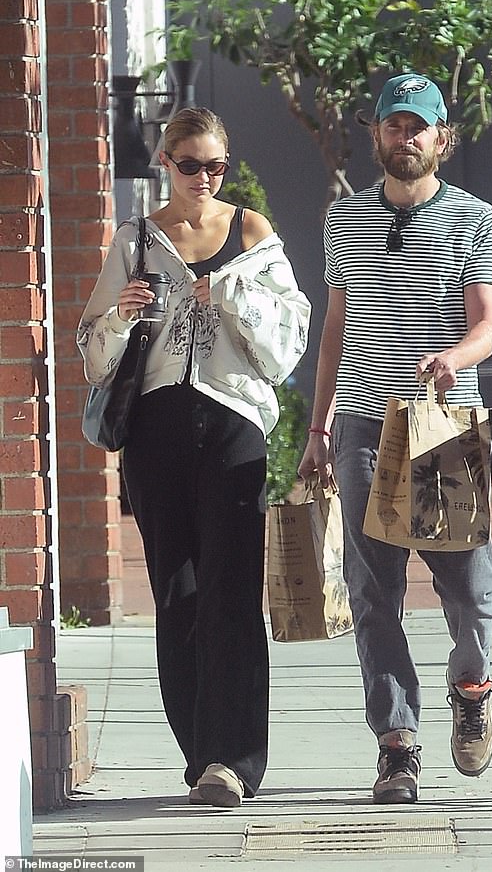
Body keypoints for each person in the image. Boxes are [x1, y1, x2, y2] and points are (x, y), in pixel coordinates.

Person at [78, 107, 311, 807]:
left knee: (232, 594)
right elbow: (91, 353)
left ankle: (234, 761)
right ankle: (199, 754)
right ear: (164, 164)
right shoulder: (136, 240)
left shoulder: (251, 234)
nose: (204, 178)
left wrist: (233, 294)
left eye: (216, 166)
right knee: (177, 597)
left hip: (233, 424)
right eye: (190, 165)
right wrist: (122, 313)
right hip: (155, 434)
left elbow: (289, 340)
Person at [298, 73, 492, 805]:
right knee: (372, 588)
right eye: (395, 124)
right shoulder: (344, 220)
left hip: (442, 425)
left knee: (470, 587)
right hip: (361, 419)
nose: (406, 136)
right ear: (378, 135)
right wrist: (318, 424)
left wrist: (454, 358)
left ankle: (472, 686)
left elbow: (486, 326)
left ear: (442, 138)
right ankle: (396, 745)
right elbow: (335, 328)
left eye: (420, 126)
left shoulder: (478, 220)